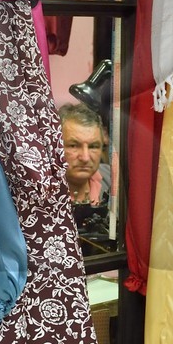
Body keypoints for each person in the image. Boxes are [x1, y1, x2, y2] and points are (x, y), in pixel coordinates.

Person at [58, 102, 111, 241]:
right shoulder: (38, 191)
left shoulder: (114, 180)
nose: (85, 157)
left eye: (93, 146)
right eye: (74, 145)